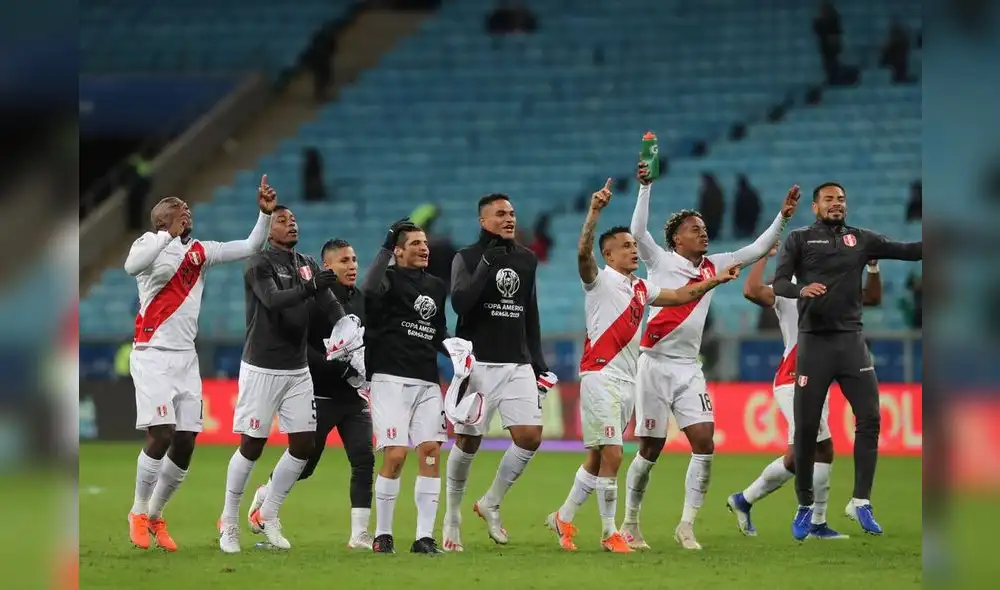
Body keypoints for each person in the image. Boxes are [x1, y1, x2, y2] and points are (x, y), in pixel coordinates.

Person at [548, 180, 740, 553]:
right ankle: (609, 534)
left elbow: (681, 295)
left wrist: (714, 280)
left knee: (598, 456)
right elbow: (582, 253)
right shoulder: (598, 281)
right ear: (609, 254)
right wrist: (593, 213)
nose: (634, 250)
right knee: (615, 454)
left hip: (627, 378)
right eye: (625, 246)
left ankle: (564, 517)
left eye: (635, 246)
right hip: (599, 374)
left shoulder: (642, 289)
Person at [623, 161, 799, 550]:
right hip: (653, 364)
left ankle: (686, 524)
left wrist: (782, 218)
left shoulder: (715, 264)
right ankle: (631, 522)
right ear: (676, 239)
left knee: (704, 442)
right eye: (694, 229)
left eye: (704, 228)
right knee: (649, 450)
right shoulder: (659, 260)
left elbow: (755, 249)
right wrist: (645, 187)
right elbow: (637, 232)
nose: (703, 233)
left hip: (688, 368)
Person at [124, 177, 275, 551]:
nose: (186, 214)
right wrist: (164, 236)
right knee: (160, 432)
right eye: (178, 210)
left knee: (186, 439)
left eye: (187, 210)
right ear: (162, 218)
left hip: (185, 359)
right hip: (152, 354)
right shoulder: (149, 244)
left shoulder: (200, 253)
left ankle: (157, 514)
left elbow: (250, 246)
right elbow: (131, 266)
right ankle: (138, 510)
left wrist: (264, 215)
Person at [772, 182, 922, 540]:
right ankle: (805, 505)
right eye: (829, 199)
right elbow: (778, 283)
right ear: (815, 206)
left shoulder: (862, 239)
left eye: (841, 199)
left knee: (870, 417)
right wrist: (800, 289)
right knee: (806, 429)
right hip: (813, 344)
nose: (837, 204)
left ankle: (860, 501)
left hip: (851, 341)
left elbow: (909, 250)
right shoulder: (799, 239)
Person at [218, 205, 351, 553]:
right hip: (262, 367)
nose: (291, 224)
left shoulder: (305, 260)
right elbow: (273, 300)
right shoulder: (258, 263)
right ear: (268, 229)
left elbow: (326, 296)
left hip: (297, 369)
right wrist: (311, 287)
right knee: (252, 445)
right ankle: (229, 521)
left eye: (293, 219)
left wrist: (345, 325)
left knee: (304, 445)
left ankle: (269, 513)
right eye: (282, 220)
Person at [727, 245, 882, 539]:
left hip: (820, 378)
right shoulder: (789, 290)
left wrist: (873, 268)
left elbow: (872, 298)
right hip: (792, 378)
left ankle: (745, 500)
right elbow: (751, 290)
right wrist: (763, 256)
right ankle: (815, 524)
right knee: (819, 448)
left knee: (801, 455)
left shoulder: (835, 289)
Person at [246, 238, 375, 550]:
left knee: (363, 459)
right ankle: (266, 495)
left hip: (352, 398)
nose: (353, 265)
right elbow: (303, 345)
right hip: (317, 394)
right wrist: (338, 368)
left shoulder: (360, 300)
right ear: (326, 266)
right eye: (344, 260)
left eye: (355, 259)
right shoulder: (315, 300)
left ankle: (359, 536)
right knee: (305, 465)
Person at [444, 193, 554, 551]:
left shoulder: (526, 259)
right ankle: (452, 517)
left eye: (512, 213)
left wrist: (537, 360)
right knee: (468, 442)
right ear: (483, 221)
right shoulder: (467, 257)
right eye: (500, 214)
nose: (509, 219)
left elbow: (529, 312)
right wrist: (486, 265)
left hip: (517, 362)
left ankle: (491, 501)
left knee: (529, 437)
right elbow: (460, 303)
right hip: (478, 363)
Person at [363, 219, 451, 554]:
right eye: (415, 243)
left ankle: (424, 537)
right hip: (390, 379)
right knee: (396, 455)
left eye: (425, 242)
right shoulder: (386, 279)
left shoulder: (436, 286)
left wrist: (456, 349)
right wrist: (385, 245)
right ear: (398, 252)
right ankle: (382, 533)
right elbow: (367, 292)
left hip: (427, 381)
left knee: (429, 454)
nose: (424, 247)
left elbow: (437, 330)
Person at [733, 174, 762, 239]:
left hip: (743, 221)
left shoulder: (740, 194)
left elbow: (737, 210)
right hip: (751, 220)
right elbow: (758, 207)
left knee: (743, 238)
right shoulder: (752, 193)